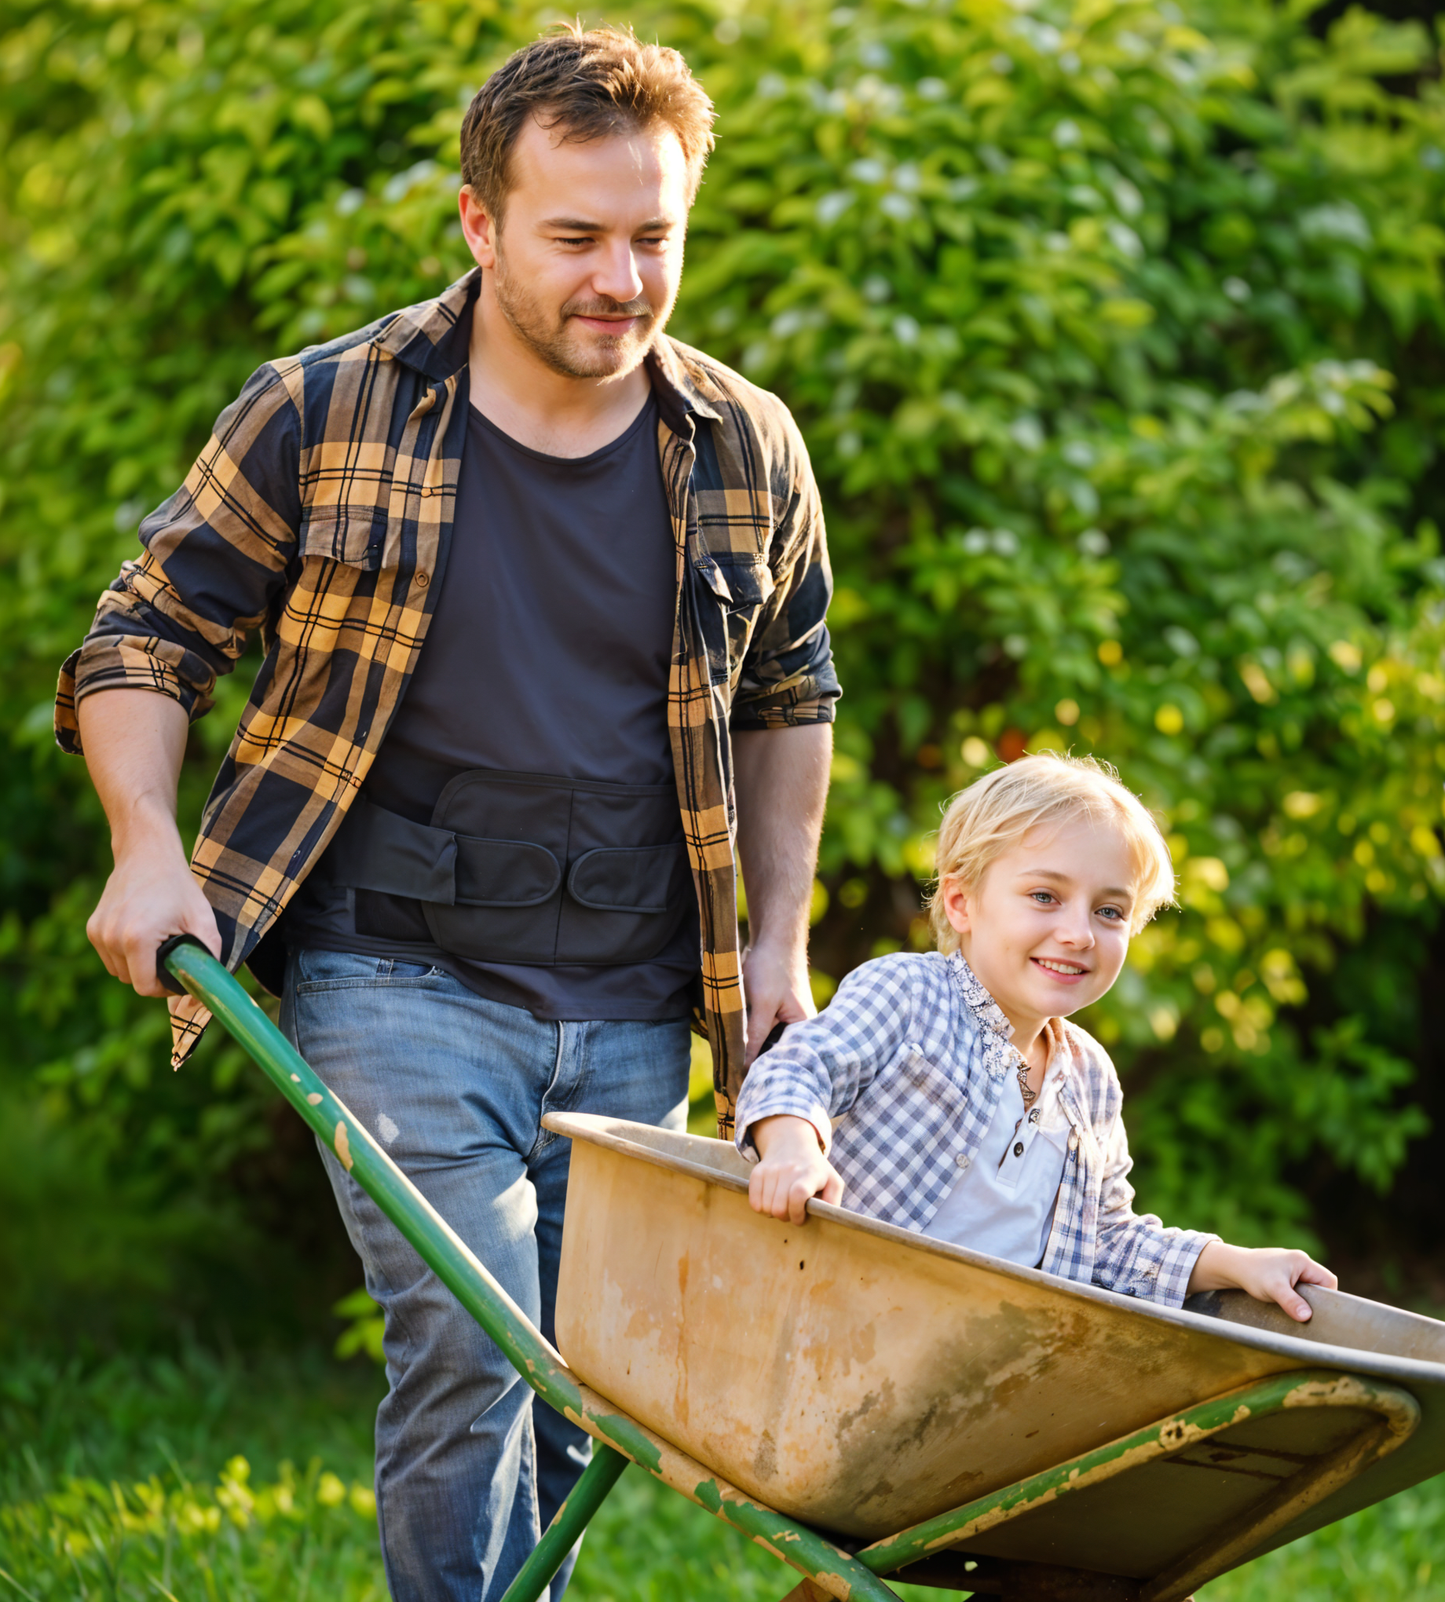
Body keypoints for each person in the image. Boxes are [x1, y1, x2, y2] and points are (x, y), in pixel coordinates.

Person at [58, 25, 839, 1602]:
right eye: (577, 238)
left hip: (634, 1000)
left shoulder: (742, 444)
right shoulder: (329, 409)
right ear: (479, 225)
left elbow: (787, 694)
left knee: (573, 1399)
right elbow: (143, 635)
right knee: (473, 1341)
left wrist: (776, 943)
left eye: (653, 236)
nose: (621, 278)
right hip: (391, 969)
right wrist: (149, 848)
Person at [737, 753, 1337, 1320]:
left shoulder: (1090, 1079)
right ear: (962, 902)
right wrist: (793, 1147)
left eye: (1109, 911)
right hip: (833, 1319)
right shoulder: (909, 994)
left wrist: (1238, 1264)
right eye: (1044, 897)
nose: (1078, 933)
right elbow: (799, 1069)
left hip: (978, 1369)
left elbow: (1107, 1241)